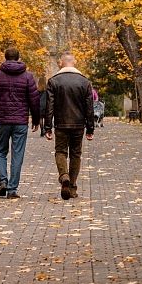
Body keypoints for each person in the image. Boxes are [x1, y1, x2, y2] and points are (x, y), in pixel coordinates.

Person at [0, 47, 41, 199]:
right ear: (18, 58)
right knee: (17, 154)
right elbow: (34, 99)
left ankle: (3, 181)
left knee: (1, 151)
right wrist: (36, 120)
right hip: (20, 121)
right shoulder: (27, 76)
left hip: (3, 120)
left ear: (5, 57)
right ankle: (12, 189)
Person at [43, 53, 95, 200]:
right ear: (75, 62)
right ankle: (72, 186)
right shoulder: (85, 82)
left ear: (61, 63)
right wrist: (90, 128)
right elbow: (89, 107)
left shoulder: (53, 81)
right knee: (75, 154)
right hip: (79, 125)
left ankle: (63, 175)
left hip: (60, 124)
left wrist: (48, 127)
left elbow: (49, 106)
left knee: (60, 151)